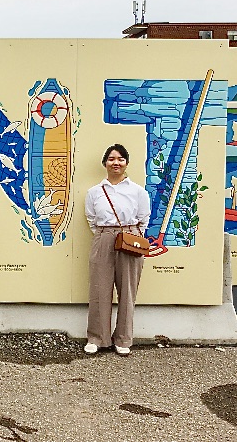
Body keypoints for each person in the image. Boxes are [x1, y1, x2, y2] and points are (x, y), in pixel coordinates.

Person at [84, 144, 151, 356]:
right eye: (112, 159)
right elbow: (92, 219)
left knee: (128, 291)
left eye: (121, 159)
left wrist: (132, 236)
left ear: (126, 163)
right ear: (105, 163)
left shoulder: (138, 191)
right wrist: (107, 234)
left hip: (130, 239)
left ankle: (123, 338)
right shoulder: (94, 192)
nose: (116, 162)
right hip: (103, 237)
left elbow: (143, 218)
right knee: (99, 289)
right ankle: (97, 337)